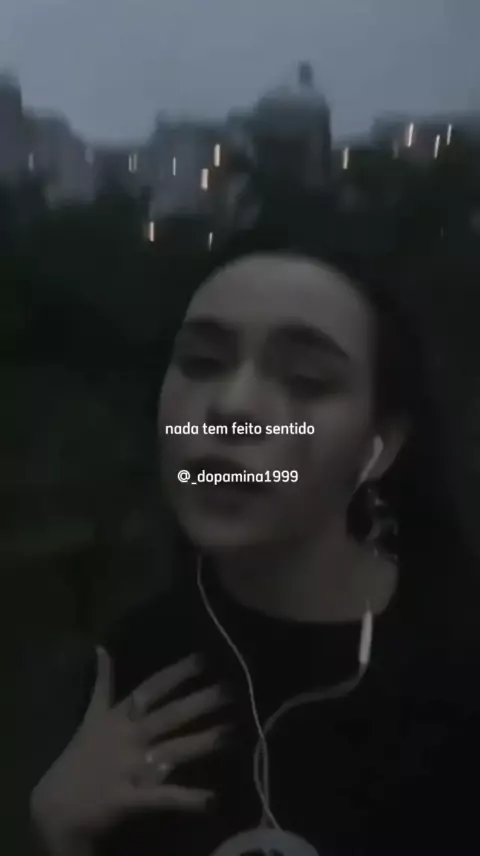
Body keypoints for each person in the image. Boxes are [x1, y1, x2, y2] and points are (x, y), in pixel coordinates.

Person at [29, 208, 480, 856]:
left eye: (306, 380)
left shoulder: (459, 662)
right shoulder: (134, 669)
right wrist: (61, 836)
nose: (233, 407)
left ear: (378, 447)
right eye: (201, 362)